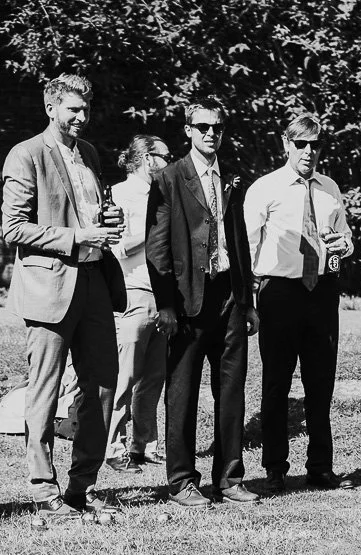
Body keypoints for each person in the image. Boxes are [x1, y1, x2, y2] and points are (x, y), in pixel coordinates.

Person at [1, 73, 127, 518]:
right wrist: (77, 236)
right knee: (46, 390)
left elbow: (91, 211)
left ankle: (81, 487)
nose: (81, 117)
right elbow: (13, 227)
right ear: (50, 108)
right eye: (73, 109)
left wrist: (109, 219)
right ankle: (43, 489)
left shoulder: (89, 153)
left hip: (95, 282)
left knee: (102, 388)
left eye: (86, 109)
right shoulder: (26, 154)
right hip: (49, 287)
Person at [146, 95, 260, 508]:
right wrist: (166, 306)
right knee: (183, 392)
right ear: (189, 131)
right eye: (204, 127)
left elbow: (241, 242)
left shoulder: (230, 176)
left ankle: (229, 477)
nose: (212, 134)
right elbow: (158, 248)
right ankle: (180, 480)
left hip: (229, 295)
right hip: (187, 300)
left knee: (231, 391)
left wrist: (246, 300)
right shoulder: (170, 178)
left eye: (218, 128)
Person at [244, 112, 355, 494]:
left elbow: (341, 238)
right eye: (301, 143)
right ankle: (275, 468)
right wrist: (249, 297)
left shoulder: (329, 188)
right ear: (286, 144)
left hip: (321, 292)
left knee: (321, 383)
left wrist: (344, 246)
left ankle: (320, 468)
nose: (308, 151)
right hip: (280, 292)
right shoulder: (265, 188)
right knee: (276, 383)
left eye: (315, 144)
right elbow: (246, 246)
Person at [100, 134, 171, 474]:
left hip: (164, 297)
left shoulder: (162, 194)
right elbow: (118, 247)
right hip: (133, 292)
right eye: (164, 157)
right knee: (124, 377)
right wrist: (156, 229)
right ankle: (113, 447)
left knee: (154, 376)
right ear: (147, 159)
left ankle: (144, 445)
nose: (168, 163)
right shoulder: (118, 194)